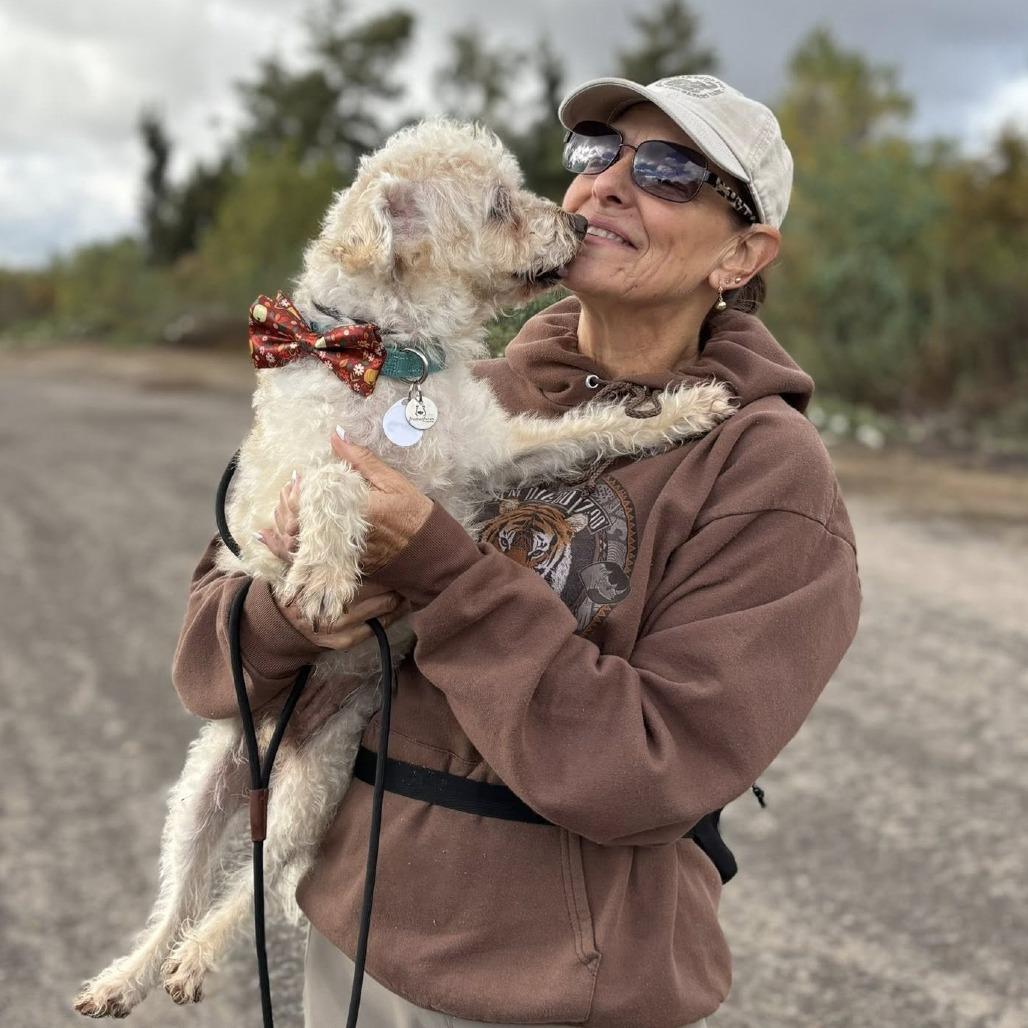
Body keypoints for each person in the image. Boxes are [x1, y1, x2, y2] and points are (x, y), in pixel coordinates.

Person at [171, 74, 862, 1028]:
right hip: (354, 945)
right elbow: (207, 666)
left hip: (557, 992)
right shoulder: (439, 385)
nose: (610, 183)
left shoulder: (768, 476)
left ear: (743, 254)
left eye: (668, 171)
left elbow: (648, 773)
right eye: (595, 155)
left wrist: (444, 577)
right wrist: (289, 612)